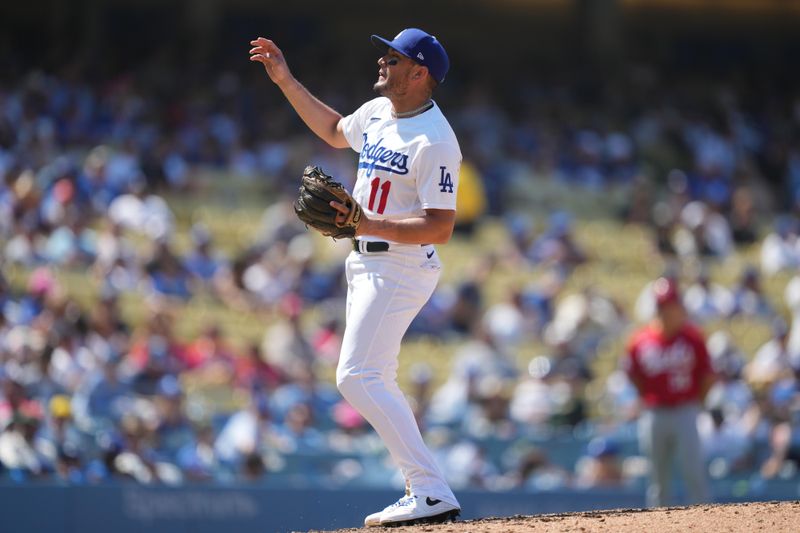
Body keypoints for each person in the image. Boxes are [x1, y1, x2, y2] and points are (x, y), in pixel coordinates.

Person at [250, 28, 461, 526]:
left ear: (420, 72)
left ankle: (429, 489)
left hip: (401, 264)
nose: (383, 63)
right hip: (364, 261)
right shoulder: (378, 113)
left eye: (394, 58)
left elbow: (442, 225)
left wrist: (365, 223)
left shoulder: (436, 140)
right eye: (385, 55)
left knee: (357, 376)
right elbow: (333, 130)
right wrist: (285, 79)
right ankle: (426, 489)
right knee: (374, 375)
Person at [623, 277, 715, 507]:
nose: (668, 311)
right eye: (663, 306)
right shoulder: (641, 340)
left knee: (694, 474)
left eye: (672, 305)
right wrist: (648, 398)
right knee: (657, 478)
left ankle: (706, 525)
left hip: (686, 408)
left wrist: (696, 403)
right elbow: (633, 374)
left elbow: (707, 376)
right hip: (655, 411)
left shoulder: (693, 338)